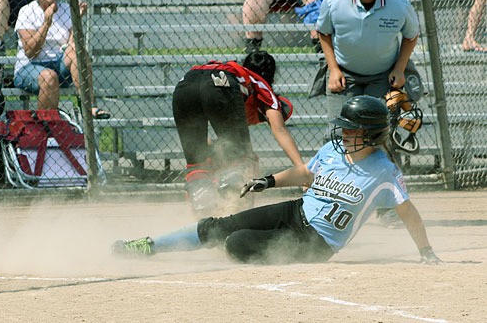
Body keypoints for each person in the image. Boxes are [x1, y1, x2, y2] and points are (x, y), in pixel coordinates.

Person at [113, 95, 442, 266]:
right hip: (294, 211)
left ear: (370, 134)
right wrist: (266, 182)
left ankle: (224, 247)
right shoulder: (332, 150)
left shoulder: (384, 171)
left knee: (237, 243)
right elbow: (305, 174)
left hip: (316, 243)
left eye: (351, 128)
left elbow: (408, 212)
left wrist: (426, 251)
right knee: (218, 226)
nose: (343, 132)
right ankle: (149, 245)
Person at [173, 50, 304, 217]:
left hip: (184, 85)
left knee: (197, 165)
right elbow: (279, 128)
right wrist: (301, 169)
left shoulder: (234, 74)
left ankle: (204, 223)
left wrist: (215, 154)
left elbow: (202, 141)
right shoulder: (260, 83)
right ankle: (237, 217)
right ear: (271, 77)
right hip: (219, 83)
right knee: (243, 160)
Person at [315, 0, 422, 122]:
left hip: (383, 76)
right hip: (344, 75)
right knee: (338, 133)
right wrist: (334, 69)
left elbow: (411, 35)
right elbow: (324, 33)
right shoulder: (333, 0)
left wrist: (399, 69)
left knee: (378, 131)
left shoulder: (399, 3)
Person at [14, 0, 110, 118]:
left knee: (77, 52)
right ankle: (45, 126)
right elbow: (30, 52)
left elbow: (71, 46)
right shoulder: (26, 11)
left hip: (59, 66)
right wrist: (46, 22)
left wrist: (76, 21)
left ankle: (89, 107)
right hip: (30, 66)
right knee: (49, 77)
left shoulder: (67, 10)